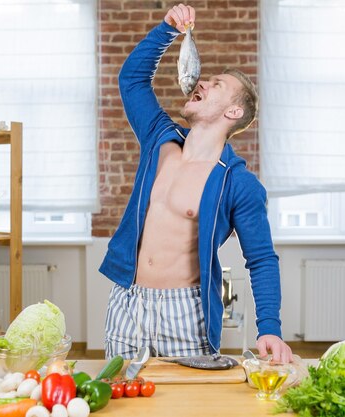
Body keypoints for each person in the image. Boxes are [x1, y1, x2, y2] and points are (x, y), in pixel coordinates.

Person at [100, 3, 293, 364]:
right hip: (128, 301)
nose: (202, 80)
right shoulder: (160, 139)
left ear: (233, 112)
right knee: (120, 401)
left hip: (185, 312)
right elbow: (131, 80)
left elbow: (262, 259)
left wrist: (270, 328)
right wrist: (167, 31)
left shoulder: (239, 184)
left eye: (216, 84)